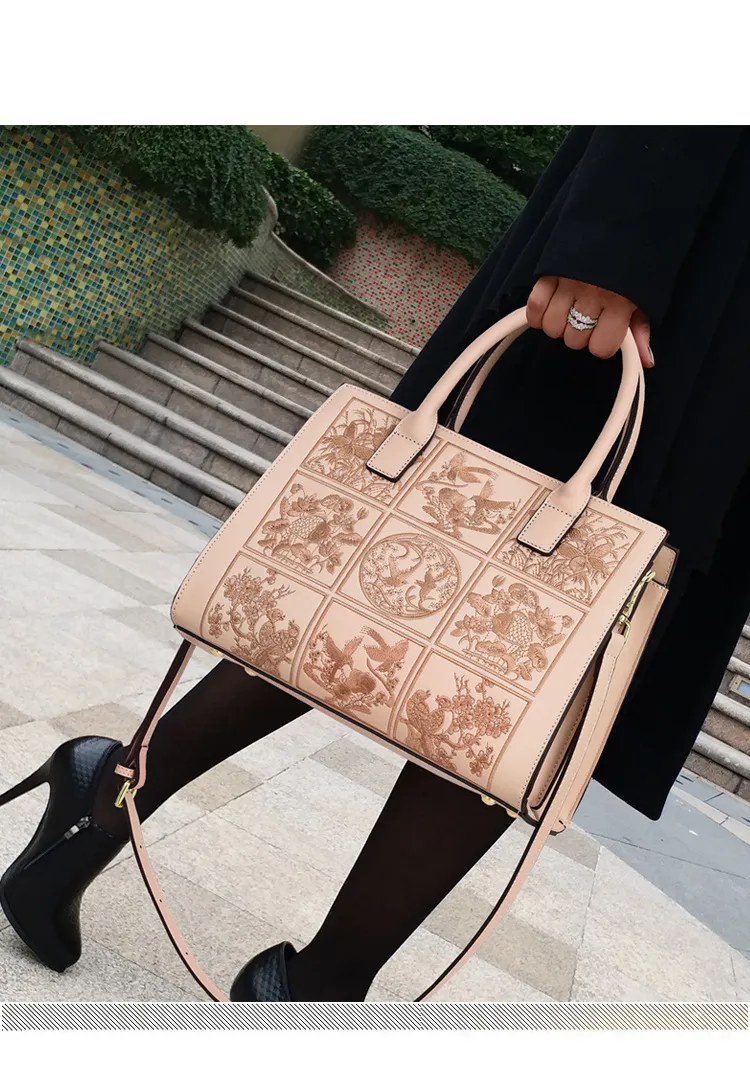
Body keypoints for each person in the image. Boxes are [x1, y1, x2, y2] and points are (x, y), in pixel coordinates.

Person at [2, 125, 750, 1002]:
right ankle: (294, 971)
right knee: (440, 598)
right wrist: (616, 238)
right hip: (694, 272)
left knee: (548, 676)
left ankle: (123, 813)